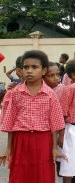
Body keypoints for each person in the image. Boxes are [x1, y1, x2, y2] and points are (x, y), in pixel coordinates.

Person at [0, 50, 66, 183]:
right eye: (26, 67)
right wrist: (8, 149)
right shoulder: (15, 93)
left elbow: (54, 124)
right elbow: (11, 122)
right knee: (20, 175)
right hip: (21, 140)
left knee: (43, 175)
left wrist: (54, 148)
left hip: (43, 140)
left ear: (43, 71)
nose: (29, 71)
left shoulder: (50, 95)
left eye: (34, 67)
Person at [43, 61, 66, 180]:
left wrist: (61, 135)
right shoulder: (40, 90)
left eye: (58, 74)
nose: (56, 78)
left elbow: (63, 114)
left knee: (59, 162)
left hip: (58, 131)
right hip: (44, 133)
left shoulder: (62, 89)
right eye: (51, 75)